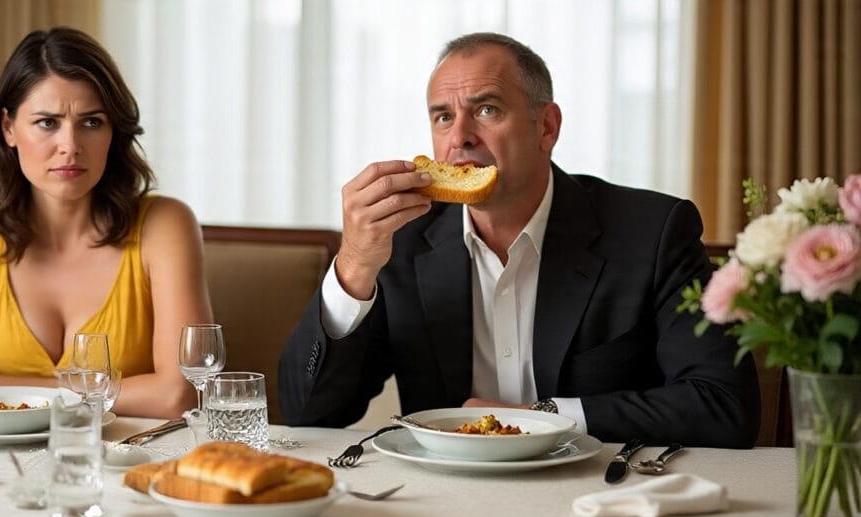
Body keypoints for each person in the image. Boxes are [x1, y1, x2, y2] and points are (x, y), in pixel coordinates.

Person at [278, 32, 760, 447]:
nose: (460, 137)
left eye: (486, 109)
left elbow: (724, 405)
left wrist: (541, 419)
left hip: (602, 492)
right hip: (445, 503)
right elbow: (309, 415)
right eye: (443, 117)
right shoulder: (400, 240)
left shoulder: (651, 230)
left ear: (546, 127)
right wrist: (355, 267)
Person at [0, 27, 212, 418]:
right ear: (9, 129)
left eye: (91, 122)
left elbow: (180, 394)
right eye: (47, 122)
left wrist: (27, 396)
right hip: (5, 461)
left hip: (132, 463)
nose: (70, 145)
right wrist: (85, 394)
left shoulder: (166, 225)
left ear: (113, 131)